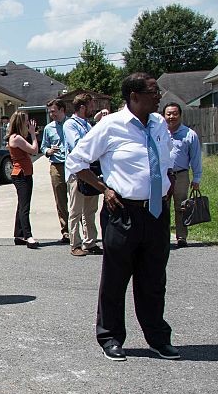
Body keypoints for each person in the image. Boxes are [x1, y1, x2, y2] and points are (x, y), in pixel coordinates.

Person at [66, 73, 180, 362]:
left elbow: (163, 160)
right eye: (153, 92)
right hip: (123, 213)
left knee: (154, 279)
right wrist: (104, 189)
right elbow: (76, 161)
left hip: (155, 212)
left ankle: (158, 338)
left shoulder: (158, 125)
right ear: (135, 96)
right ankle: (111, 337)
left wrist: (166, 180)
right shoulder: (110, 126)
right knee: (116, 279)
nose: (159, 96)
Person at [64, 93, 102, 256]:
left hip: (90, 171)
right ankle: (75, 243)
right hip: (76, 173)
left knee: (90, 210)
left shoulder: (88, 125)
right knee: (75, 210)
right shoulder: (70, 125)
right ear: (82, 107)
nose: (94, 109)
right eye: (92, 105)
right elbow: (79, 145)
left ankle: (90, 242)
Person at [163, 102, 203, 248]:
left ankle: (181, 237)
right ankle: (163, 237)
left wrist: (196, 178)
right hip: (163, 176)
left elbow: (196, 158)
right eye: (168, 114)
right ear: (164, 115)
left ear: (180, 115)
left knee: (181, 207)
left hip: (181, 175)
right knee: (162, 207)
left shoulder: (189, 134)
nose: (171, 116)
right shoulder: (159, 133)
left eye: (174, 113)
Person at [6, 111, 40, 248]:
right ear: (20, 122)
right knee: (25, 207)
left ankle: (19, 234)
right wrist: (33, 134)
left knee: (21, 205)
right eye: (26, 121)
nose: (28, 123)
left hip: (23, 173)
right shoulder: (16, 138)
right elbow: (34, 150)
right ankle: (28, 235)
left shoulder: (17, 137)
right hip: (21, 174)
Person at [42, 99, 70, 242]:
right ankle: (66, 232)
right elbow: (43, 146)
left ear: (62, 110)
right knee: (61, 201)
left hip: (72, 165)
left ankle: (80, 231)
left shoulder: (71, 125)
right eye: (50, 112)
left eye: (53, 111)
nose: (51, 114)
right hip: (56, 166)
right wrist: (48, 151)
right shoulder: (49, 128)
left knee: (77, 199)